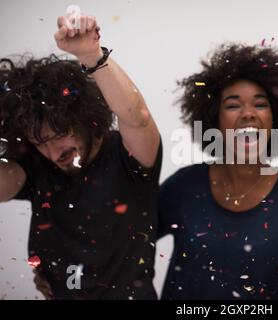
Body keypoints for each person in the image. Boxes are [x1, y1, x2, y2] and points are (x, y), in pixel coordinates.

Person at [0, 13, 161, 299]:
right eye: (40, 143)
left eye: (58, 135)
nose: (52, 152)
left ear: (83, 116)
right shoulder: (38, 166)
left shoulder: (126, 155)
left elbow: (138, 118)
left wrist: (91, 55)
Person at [157, 43, 278, 299]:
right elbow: (124, 239)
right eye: (232, 105)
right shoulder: (185, 188)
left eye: (260, 104)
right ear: (214, 121)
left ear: (276, 119)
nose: (248, 113)